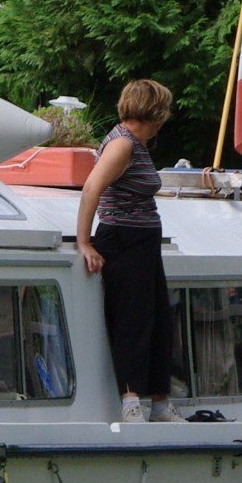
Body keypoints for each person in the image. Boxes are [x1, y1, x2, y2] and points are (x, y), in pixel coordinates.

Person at [74, 77, 180, 421]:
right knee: (132, 321)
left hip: (143, 241)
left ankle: (161, 401)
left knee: (159, 320)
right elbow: (92, 189)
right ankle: (132, 402)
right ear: (156, 111)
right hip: (124, 239)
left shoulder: (136, 143)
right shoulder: (123, 144)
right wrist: (85, 241)